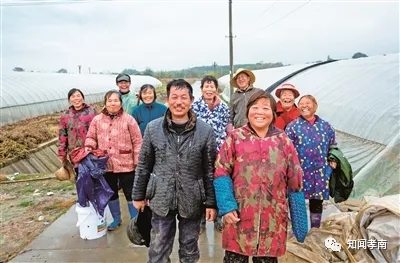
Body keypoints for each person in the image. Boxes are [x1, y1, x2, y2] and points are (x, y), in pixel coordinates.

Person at [132, 79, 217, 263]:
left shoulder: (205, 131)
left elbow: (209, 170)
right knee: (158, 246)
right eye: (174, 97)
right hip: (161, 196)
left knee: (189, 246)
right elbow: (144, 164)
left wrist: (211, 202)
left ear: (192, 100)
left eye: (184, 97)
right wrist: (138, 195)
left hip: (192, 197)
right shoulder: (153, 129)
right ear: (167, 99)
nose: (179, 102)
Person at [214, 90, 303, 263]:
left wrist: (299, 218)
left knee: (267, 259)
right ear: (247, 111)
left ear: (272, 113)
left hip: (272, 218)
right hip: (239, 214)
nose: (260, 112)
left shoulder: (283, 140)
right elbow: (221, 171)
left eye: (265, 108)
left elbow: (295, 179)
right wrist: (226, 205)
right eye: (255, 107)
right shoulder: (236, 137)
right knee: (235, 258)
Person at [85, 90, 143, 230]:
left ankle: (134, 222)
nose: (113, 103)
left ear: (120, 103)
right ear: (105, 103)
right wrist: (89, 147)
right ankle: (116, 219)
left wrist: (137, 160)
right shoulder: (97, 120)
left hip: (127, 164)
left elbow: (137, 141)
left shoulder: (129, 119)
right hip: (105, 164)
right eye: (110, 100)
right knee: (110, 192)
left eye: (116, 100)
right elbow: (91, 137)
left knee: (131, 193)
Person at [285, 94, 337, 229]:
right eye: (301, 103)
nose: (304, 106)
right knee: (297, 200)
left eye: (307, 103)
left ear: (315, 106)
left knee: (316, 201)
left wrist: (333, 159)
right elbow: (286, 150)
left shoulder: (326, 126)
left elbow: (333, 145)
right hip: (300, 170)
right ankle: (298, 230)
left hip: (319, 170)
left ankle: (315, 229)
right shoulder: (292, 127)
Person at [191, 75, 230, 233]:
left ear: (216, 89)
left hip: (220, 151)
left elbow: (228, 128)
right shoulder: (195, 107)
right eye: (206, 86)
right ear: (201, 89)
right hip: (199, 150)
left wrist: (229, 147)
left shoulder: (223, 107)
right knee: (200, 184)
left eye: (212, 86)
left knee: (219, 182)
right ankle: (200, 220)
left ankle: (219, 218)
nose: (209, 89)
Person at [58, 88, 97, 178]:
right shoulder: (65, 116)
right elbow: (62, 136)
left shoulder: (92, 111)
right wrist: (62, 153)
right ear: (69, 100)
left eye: (78, 96)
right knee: (80, 177)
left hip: (91, 151)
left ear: (83, 98)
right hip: (75, 153)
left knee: (95, 177)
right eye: (73, 96)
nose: (76, 99)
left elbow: (99, 130)